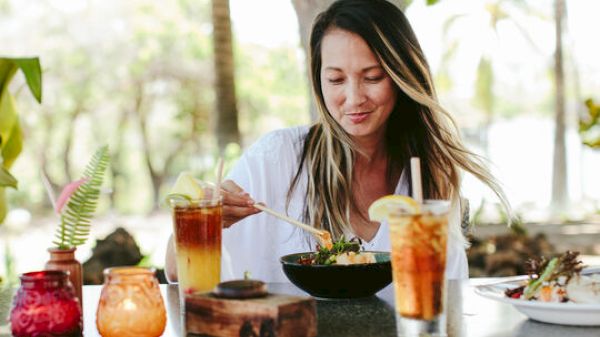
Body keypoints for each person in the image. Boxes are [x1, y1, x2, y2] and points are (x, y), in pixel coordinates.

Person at [165, 0, 510, 283]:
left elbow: (445, 296)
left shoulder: (428, 177)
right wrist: (205, 220)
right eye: (335, 79)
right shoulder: (279, 158)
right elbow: (177, 271)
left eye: (373, 77)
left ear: (403, 76)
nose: (354, 97)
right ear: (318, 81)